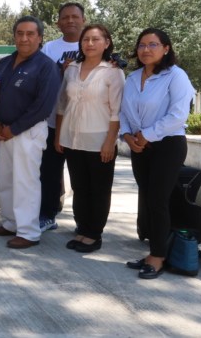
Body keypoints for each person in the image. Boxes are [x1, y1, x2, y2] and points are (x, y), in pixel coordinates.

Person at [121, 28, 193, 279]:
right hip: (140, 147)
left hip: (168, 145)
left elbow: (178, 116)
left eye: (153, 45)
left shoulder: (176, 76)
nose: (146, 50)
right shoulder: (132, 78)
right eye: (142, 45)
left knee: (158, 201)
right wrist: (128, 136)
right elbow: (123, 112)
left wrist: (146, 134)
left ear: (166, 48)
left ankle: (158, 256)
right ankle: (155, 249)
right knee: (148, 200)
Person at [0, 16, 60, 249]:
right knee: (7, 180)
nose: (24, 38)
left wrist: (14, 128)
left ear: (39, 38)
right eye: (20, 33)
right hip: (3, 130)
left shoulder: (46, 66)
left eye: (30, 34)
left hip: (27, 132)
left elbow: (43, 106)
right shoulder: (6, 63)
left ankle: (28, 232)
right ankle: (9, 223)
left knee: (25, 182)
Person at [55, 24, 124, 253]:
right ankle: (82, 229)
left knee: (99, 189)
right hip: (72, 138)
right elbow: (62, 105)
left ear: (107, 43)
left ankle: (94, 234)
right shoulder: (72, 69)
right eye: (86, 39)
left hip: (99, 140)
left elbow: (116, 111)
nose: (90, 43)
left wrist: (109, 142)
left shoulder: (113, 72)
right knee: (80, 187)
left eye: (96, 39)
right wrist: (58, 135)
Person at [38, 2, 85, 232]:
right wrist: (61, 71)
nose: (70, 21)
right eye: (65, 17)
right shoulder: (49, 48)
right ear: (58, 22)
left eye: (74, 16)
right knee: (49, 172)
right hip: (52, 120)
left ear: (83, 20)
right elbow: (43, 78)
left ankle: (84, 222)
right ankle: (47, 214)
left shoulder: (92, 43)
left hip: (83, 123)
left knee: (82, 177)